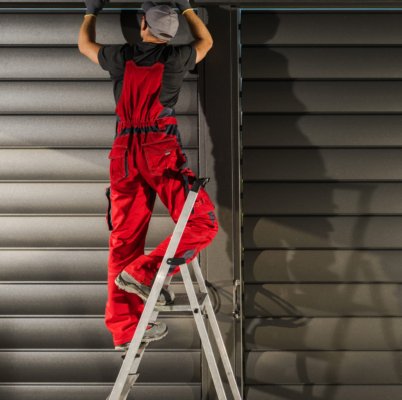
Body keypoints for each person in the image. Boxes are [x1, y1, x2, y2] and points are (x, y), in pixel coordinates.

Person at [78, 0, 218, 352]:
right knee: (202, 223)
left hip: (124, 152)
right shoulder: (176, 58)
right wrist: (188, 10)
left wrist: (91, 12)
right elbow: (207, 42)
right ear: (169, 34)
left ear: (143, 25)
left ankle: (125, 331)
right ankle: (143, 274)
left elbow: (84, 45)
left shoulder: (120, 57)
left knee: (124, 241)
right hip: (159, 148)